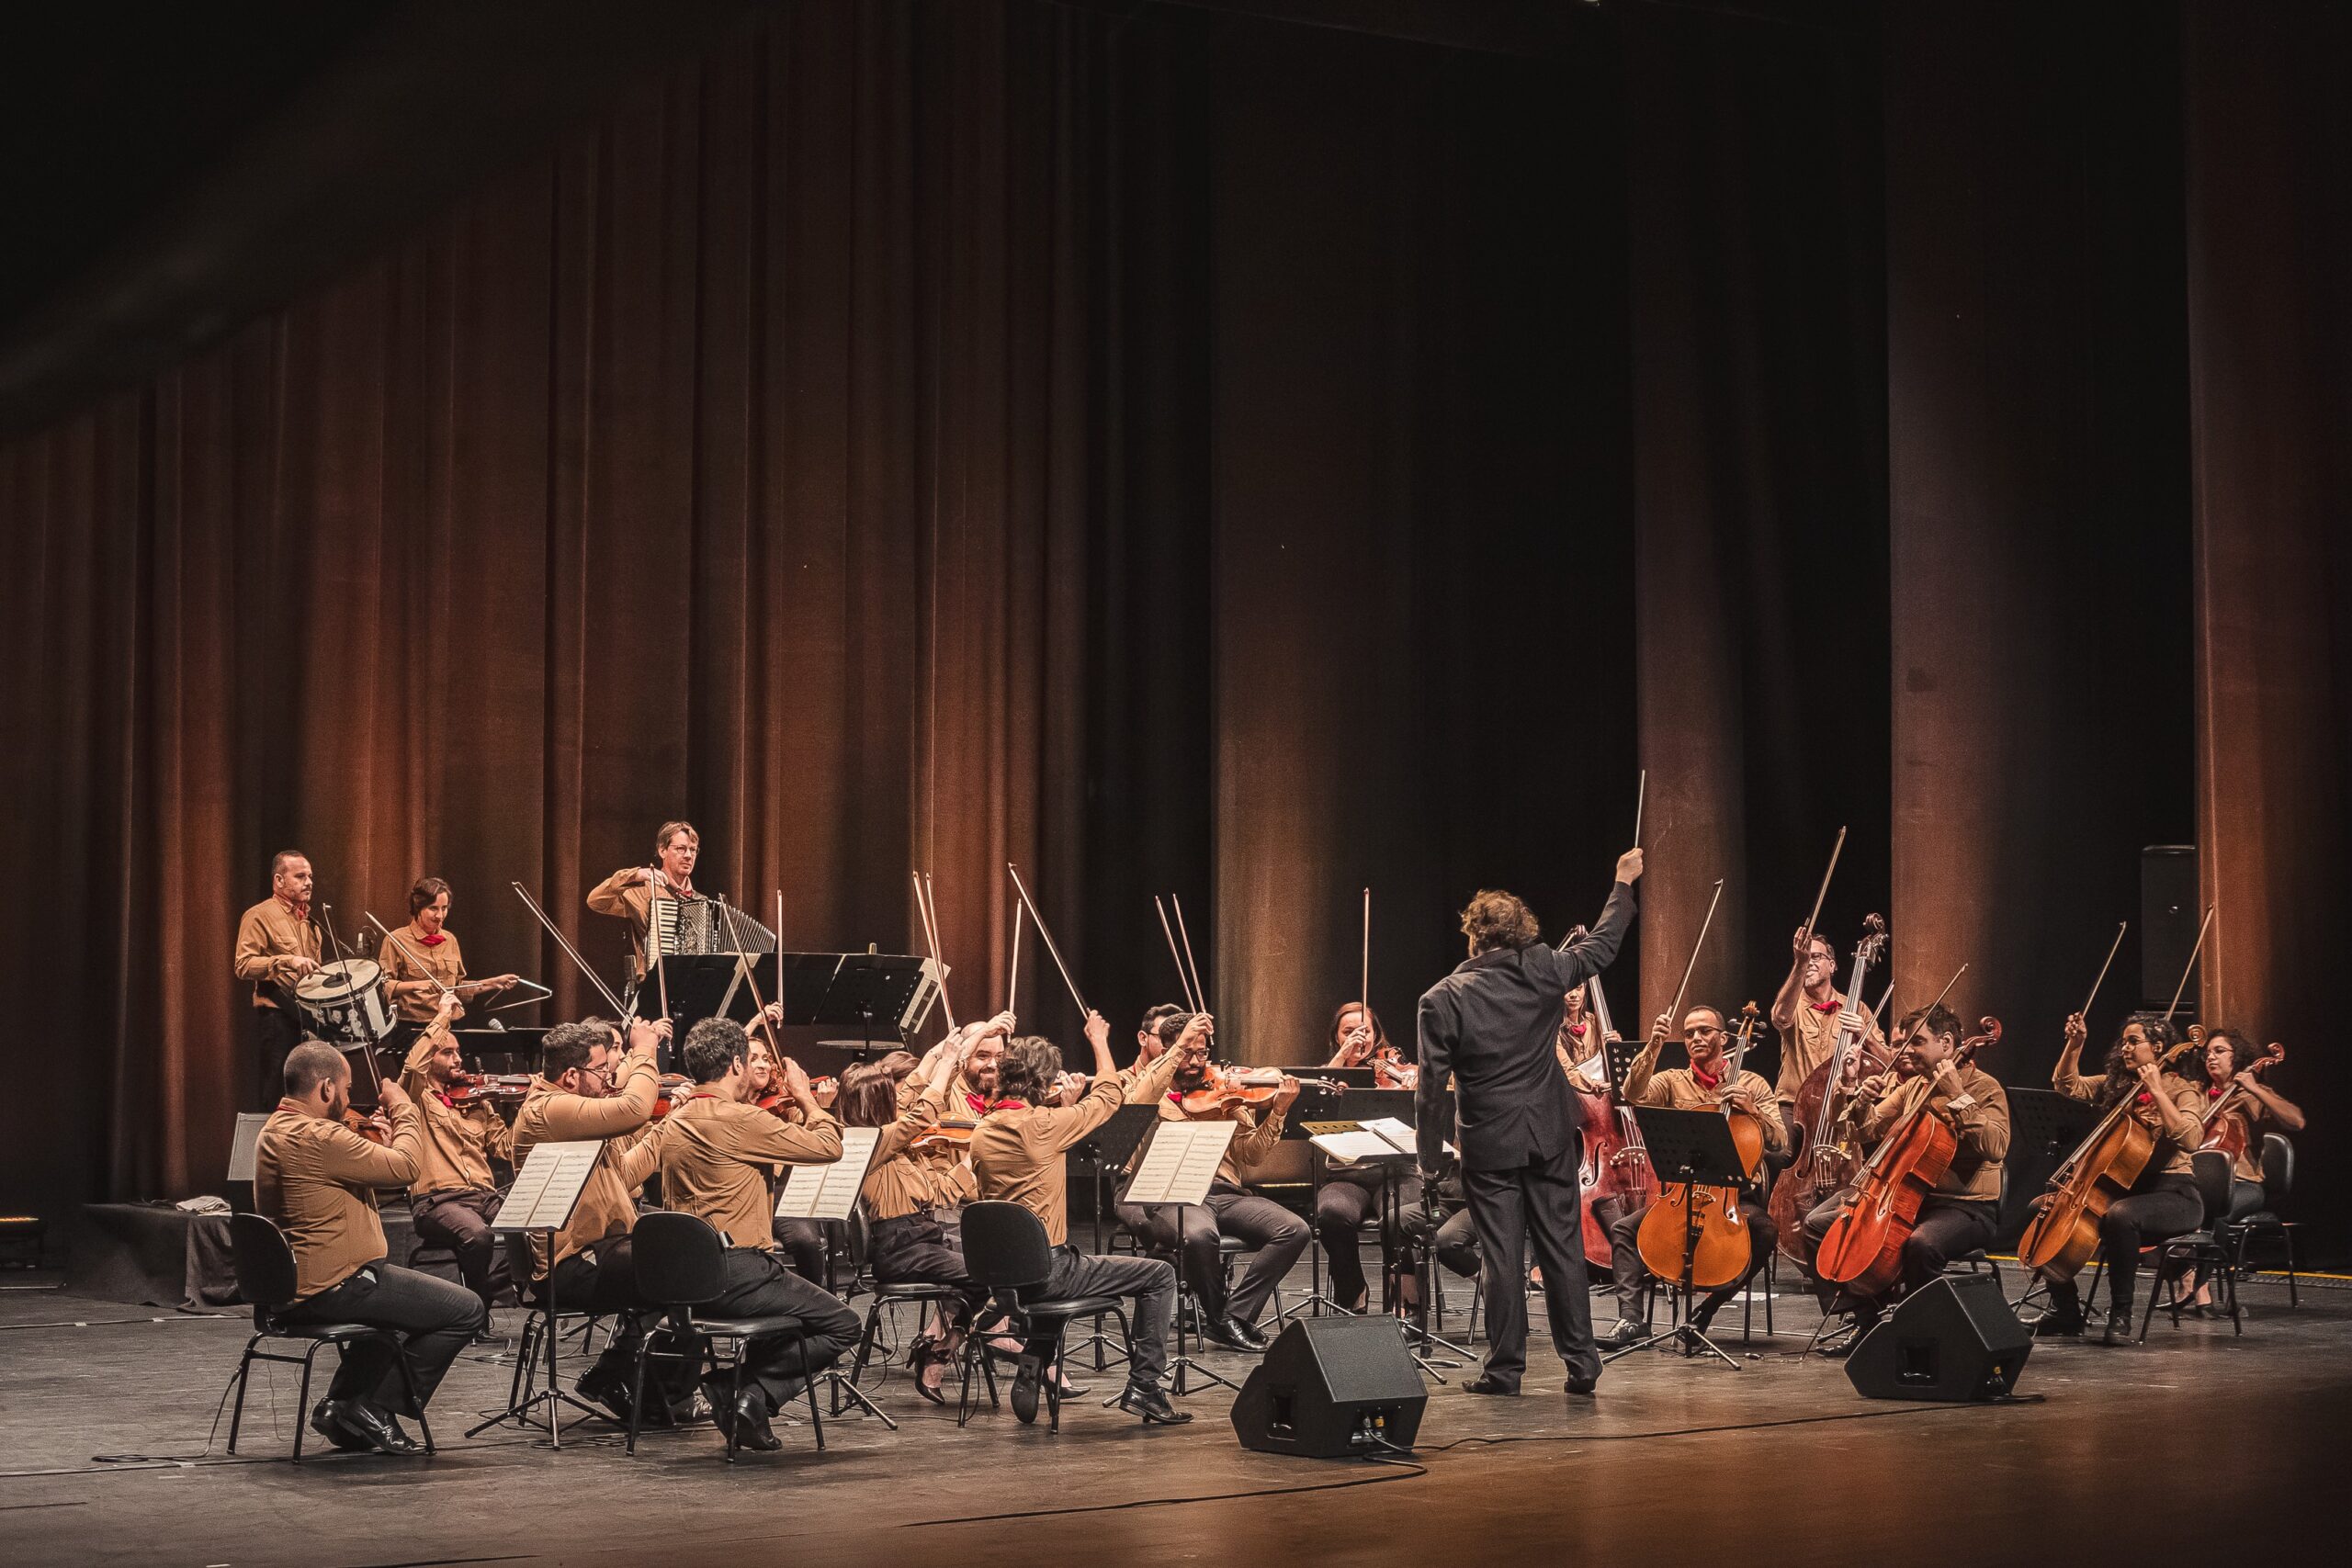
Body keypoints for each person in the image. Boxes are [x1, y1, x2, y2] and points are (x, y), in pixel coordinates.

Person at [1416, 848, 1643, 1398]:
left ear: (1473, 938)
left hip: (1489, 1142)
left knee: (1501, 1255)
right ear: (1522, 933)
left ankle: (1505, 1370)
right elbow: (1604, 945)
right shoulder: (1543, 968)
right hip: (1548, 1134)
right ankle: (1582, 1364)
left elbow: (1429, 1094)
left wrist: (1428, 1161)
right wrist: (1622, 884)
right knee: (1562, 1248)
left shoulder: (1442, 998)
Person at [256, 1041, 486, 1454]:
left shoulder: (277, 1129)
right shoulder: (319, 1135)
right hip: (333, 1287)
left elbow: (364, 1165)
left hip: (297, 1287)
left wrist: (379, 1141)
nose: (348, 1099)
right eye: (345, 1089)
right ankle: (375, 1406)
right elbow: (407, 1168)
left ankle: (339, 1404)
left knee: (399, 1309)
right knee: (465, 1309)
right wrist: (405, 1108)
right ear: (326, 1088)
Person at [968, 1015, 1191, 1425]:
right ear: (1042, 1083)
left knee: (1066, 1270)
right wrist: (1099, 1041)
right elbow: (1108, 1096)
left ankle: (1036, 1351)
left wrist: (1057, 1107)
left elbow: (1030, 1131)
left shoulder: (982, 1130)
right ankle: (1145, 1386)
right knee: (1159, 1275)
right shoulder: (1044, 1127)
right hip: (1050, 1273)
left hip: (1003, 1280)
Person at [653, 1017, 862, 1451]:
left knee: (795, 1321)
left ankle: (749, 1402)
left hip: (680, 1279)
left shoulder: (674, 1121)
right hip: (737, 1272)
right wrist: (807, 1099)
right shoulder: (743, 1120)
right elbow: (829, 1147)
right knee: (842, 1324)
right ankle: (740, 1389)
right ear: (735, 1064)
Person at [511, 1014, 690, 1420]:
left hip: (597, 1250)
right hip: (566, 1263)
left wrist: (670, 1124)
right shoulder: (549, 1110)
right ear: (572, 1077)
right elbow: (634, 1107)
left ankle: (624, 1380)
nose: (609, 1081)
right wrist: (644, 1050)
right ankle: (623, 1379)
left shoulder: (577, 1116)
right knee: (676, 1278)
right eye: (602, 1072)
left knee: (681, 1269)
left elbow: (623, 1174)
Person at [1794, 1005, 2007, 1348]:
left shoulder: (1985, 1088)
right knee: (1819, 1225)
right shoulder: (1915, 1087)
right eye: (1906, 1042)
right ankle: (1868, 1321)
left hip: (1966, 1206)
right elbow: (1865, 1131)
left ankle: (1924, 1334)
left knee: (1921, 1244)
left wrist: (1958, 1095)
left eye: (1917, 1042)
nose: (1907, 1051)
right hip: (1912, 1198)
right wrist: (1858, 1100)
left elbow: (1996, 1146)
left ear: (1948, 1043)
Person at [1114, 1010, 1309, 1350]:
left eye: (1202, 1053)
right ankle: (1220, 1317)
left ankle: (1232, 1316)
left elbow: (1251, 1155)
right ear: (1167, 1051)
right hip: (1173, 1193)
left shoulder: (1224, 1094)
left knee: (1295, 1229)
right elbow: (1137, 1100)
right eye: (1186, 1052)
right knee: (1199, 1235)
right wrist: (1181, 1046)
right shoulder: (1145, 1086)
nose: (1195, 1062)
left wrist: (1278, 1112)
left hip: (1225, 1192)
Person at [1600, 1004, 1785, 1347]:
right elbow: (1632, 1094)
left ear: (1724, 1038)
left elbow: (1779, 1141)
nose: (1696, 1038)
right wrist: (1653, 1045)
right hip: (1683, 1194)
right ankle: (1631, 1321)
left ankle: (1705, 1313)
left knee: (1764, 1231)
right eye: (1688, 1034)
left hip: (1734, 1197)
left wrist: (1752, 1110)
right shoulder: (1672, 1081)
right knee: (1623, 1229)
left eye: (1704, 1031)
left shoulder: (1751, 1083)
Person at [2035, 1012, 2203, 1344]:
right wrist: (2075, 1044)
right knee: (2040, 1209)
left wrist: (2156, 1090)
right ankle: (2066, 1310)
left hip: (2174, 1193)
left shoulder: (2182, 1090)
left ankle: (2121, 1314)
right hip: (2126, 1192)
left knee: (2121, 1217)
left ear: (2157, 1047)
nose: (2125, 1048)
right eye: (2123, 1041)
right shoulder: (2117, 1086)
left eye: (2133, 1041)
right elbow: (2067, 1085)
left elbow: (2191, 1138)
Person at [836, 1043, 987, 1403]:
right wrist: (949, 1063)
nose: (898, 1100)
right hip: (901, 1247)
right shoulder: (868, 1142)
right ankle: (941, 1349)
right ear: (876, 1103)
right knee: (990, 1274)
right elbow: (919, 1114)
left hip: (919, 1238)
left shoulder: (886, 1140)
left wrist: (941, 1053)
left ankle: (939, 1348)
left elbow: (912, 1099)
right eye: (890, 1096)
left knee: (982, 1277)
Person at [395, 990, 515, 1311]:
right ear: (431, 1057)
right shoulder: (415, 1097)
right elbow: (412, 1066)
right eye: (447, 1053)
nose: (458, 1059)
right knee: (477, 1235)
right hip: (437, 1202)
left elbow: (506, 1148)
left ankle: (494, 1291)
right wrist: (442, 1015)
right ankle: (478, 1309)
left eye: (458, 1052)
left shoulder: (475, 1100)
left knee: (535, 1226)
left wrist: (530, 1112)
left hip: (483, 1196)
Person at [2185, 1026, 2301, 1313]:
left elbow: (2296, 1121)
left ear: (2236, 1058)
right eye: (2208, 1052)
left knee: (2218, 1210)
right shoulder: (2195, 1094)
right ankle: (2188, 1280)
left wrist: (2255, 1087)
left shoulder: (2249, 1094)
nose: (2211, 1057)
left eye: (2219, 1051)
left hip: (2246, 1184)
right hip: (2199, 1183)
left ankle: (2199, 1288)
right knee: (2183, 1204)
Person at [1313, 1003, 1420, 1313]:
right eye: (1348, 1032)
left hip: (1397, 1170)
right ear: (1336, 1036)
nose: (1358, 1039)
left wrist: (1413, 1092)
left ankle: (1404, 1299)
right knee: (1331, 1213)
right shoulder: (1329, 1076)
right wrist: (1341, 1059)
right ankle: (1353, 1291)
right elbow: (1317, 1099)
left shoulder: (1397, 1071)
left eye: (1365, 1032)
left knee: (1400, 1217)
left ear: (1376, 1036)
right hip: (1346, 1175)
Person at [1769, 925, 1884, 1150]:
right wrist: (1799, 965)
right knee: (1778, 1154)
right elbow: (1780, 1016)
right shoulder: (1793, 1002)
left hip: (1838, 1105)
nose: (1809, 962)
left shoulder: (1856, 1007)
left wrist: (1865, 1035)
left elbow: (1886, 1062)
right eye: (1804, 958)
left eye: (1816, 957)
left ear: (1832, 965)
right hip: (1793, 1106)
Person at [234, 850, 323, 1109]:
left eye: (310, 876)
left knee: (307, 1097)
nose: (308, 882)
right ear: (279, 881)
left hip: (305, 1017)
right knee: (277, 1094)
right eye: (299, 876)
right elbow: (243, 965)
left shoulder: (311, 921)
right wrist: (287, 961)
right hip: (276, 1019)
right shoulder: (259, 915)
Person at [376, 876, 518, 1026]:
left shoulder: (450, 940)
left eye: (444, 908)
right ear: (418, 907)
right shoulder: (395, 940)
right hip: (414, 1025)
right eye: (433, 908)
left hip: (451, 1022)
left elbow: (457, 988)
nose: (440, 915)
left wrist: (494, 983)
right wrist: (417, 985)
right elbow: (384, 987)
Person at [586, 819, 709, 982]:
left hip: (691, 986)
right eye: (681, 849)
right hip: (653, 984)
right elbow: (595, 900)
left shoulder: (702, 902)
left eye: (693, 850)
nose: (688, 855)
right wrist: (634, 875)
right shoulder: (642, 890)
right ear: (662, 850)